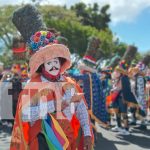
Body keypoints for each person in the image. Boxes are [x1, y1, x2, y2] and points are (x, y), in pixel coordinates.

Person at [10, 5, 93, 150]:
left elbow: (81, 109)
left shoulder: (69, 83)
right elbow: (25, 115)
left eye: (55, 61)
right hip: (43, 142)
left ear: (60, 62)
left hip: (70, 140)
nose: (53, 66)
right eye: (49, 63)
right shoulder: (33, 86)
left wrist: (87, 133)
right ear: (42, 66)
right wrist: (55, 106)